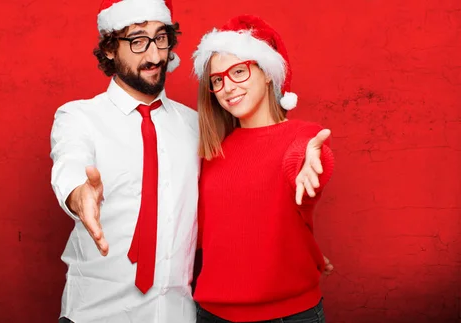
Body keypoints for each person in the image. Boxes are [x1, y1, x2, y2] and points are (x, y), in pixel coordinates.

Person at [49, 0, 201, 322]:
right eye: (137, 40)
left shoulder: (195, 126)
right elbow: (69, 161)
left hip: (177, 314)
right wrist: (79, 195)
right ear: (109, 48)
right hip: (95, 314)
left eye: (161, 38)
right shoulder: (79, 117)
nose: (155, 56)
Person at [191, 15, 335, 323]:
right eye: (217, 80)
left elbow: (306, 160)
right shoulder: (213, 150)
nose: (227, 87)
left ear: (267, 73)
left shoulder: (301, 136)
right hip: (212, 315)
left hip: (288, 316)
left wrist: (308, 162)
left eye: (239, 71)